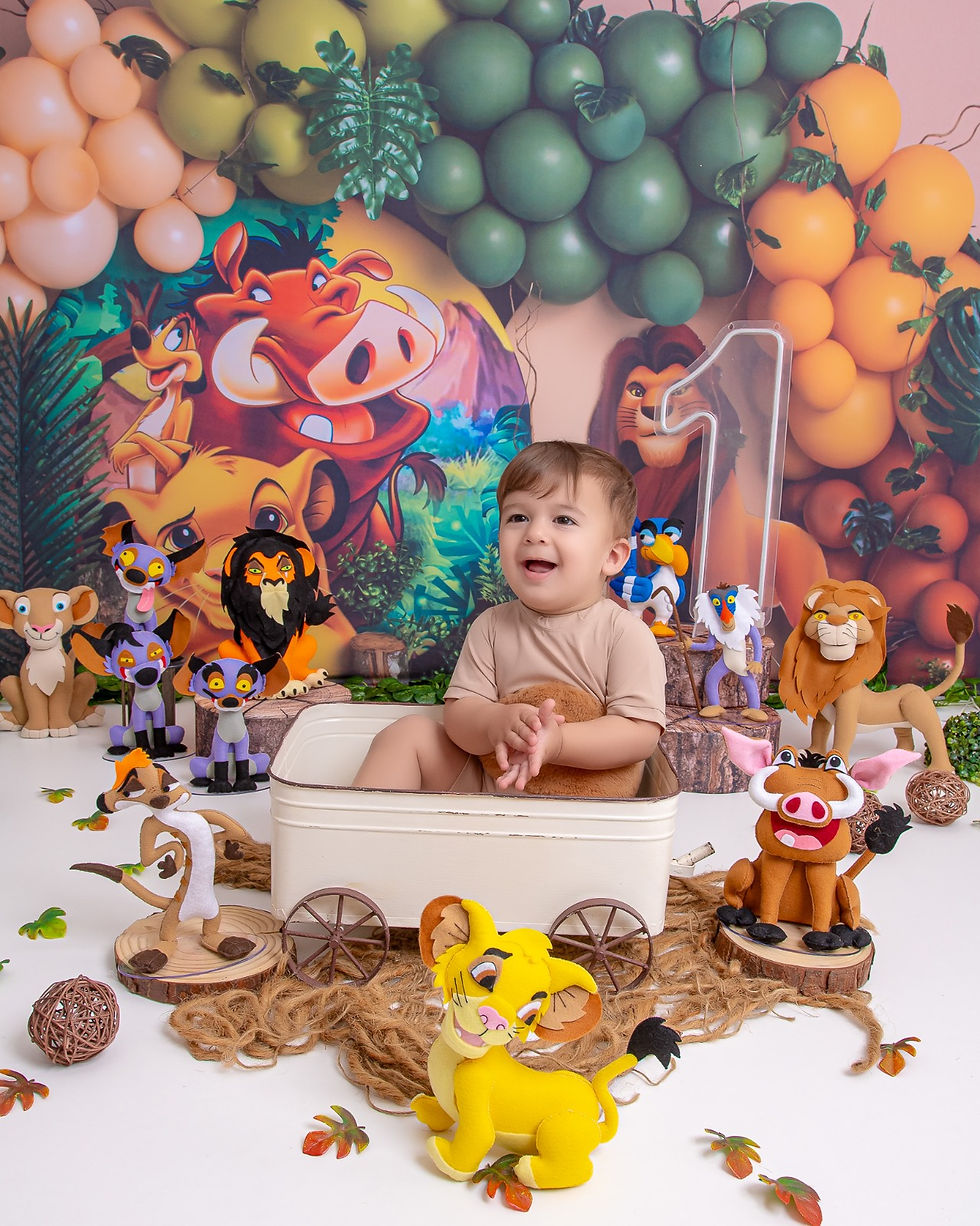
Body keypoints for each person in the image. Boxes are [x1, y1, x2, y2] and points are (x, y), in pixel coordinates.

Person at [352, 440, 667, 795]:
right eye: (518, 517)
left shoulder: (624, 634)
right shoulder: (492, 626)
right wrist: (493, 721)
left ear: (612, 557)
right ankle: (356, 827)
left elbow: (639, 734)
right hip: (493, 789)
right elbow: (459, 715)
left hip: (580, 809)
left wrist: (559, 742)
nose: (535, 533)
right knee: (407, 734)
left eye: (563, 519)